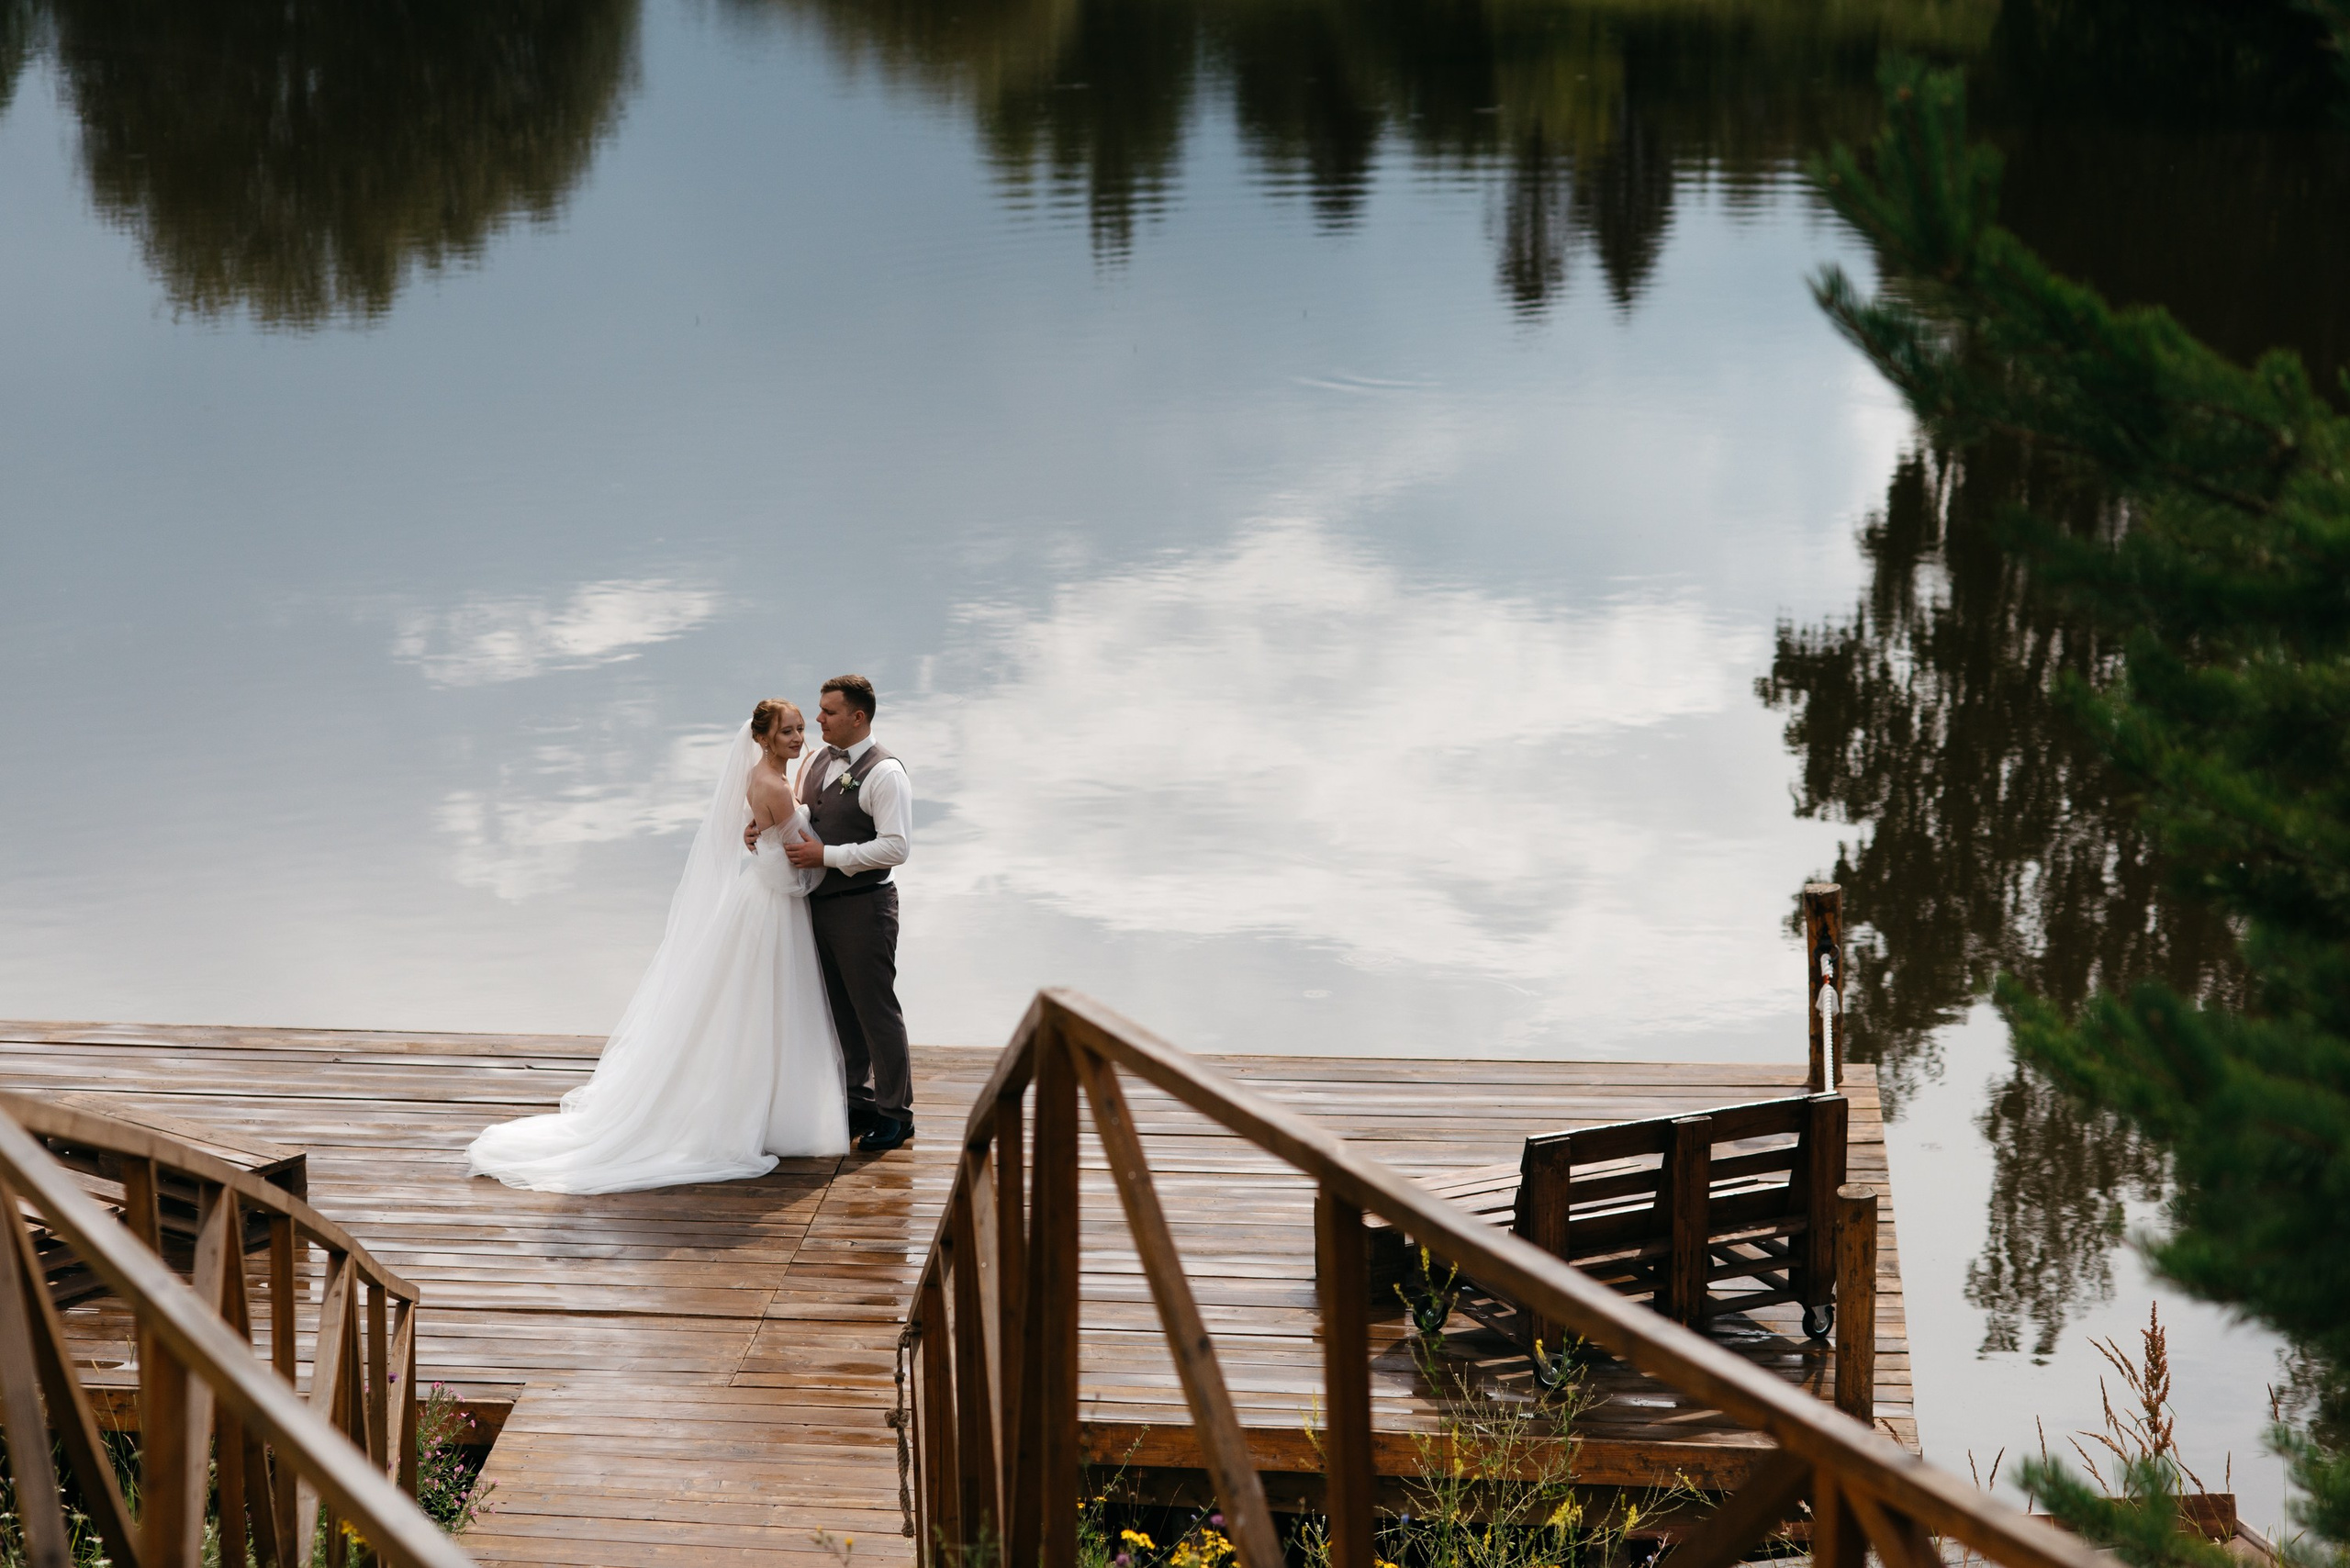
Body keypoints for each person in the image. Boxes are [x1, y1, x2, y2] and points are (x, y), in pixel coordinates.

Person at [465, 700, 849, 1192]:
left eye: (800, 729)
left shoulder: (760, 779)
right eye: (788, 733)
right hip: (774, 904)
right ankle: (768, 1113)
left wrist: (768, 837)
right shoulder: (773, 786)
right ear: (763, 738)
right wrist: (816, 871)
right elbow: (790, 867)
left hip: (755, 900)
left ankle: (765, 1105)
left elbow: (763, 836)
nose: (799, 739)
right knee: (765, 1006)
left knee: (751, 1007)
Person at [758, 674, 914, 1152]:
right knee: (838, 1011)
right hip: (817, 906)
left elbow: (896, 847)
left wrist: (826, 857)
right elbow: (806, 814)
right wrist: (761, 827)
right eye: (820, 711)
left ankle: (896, 1114)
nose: (818, 719)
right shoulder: (818, 760)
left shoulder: (886, 773)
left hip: (864, 907)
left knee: (875, 1011)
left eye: (828, 711)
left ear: (858, 716)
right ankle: (857, 1100)